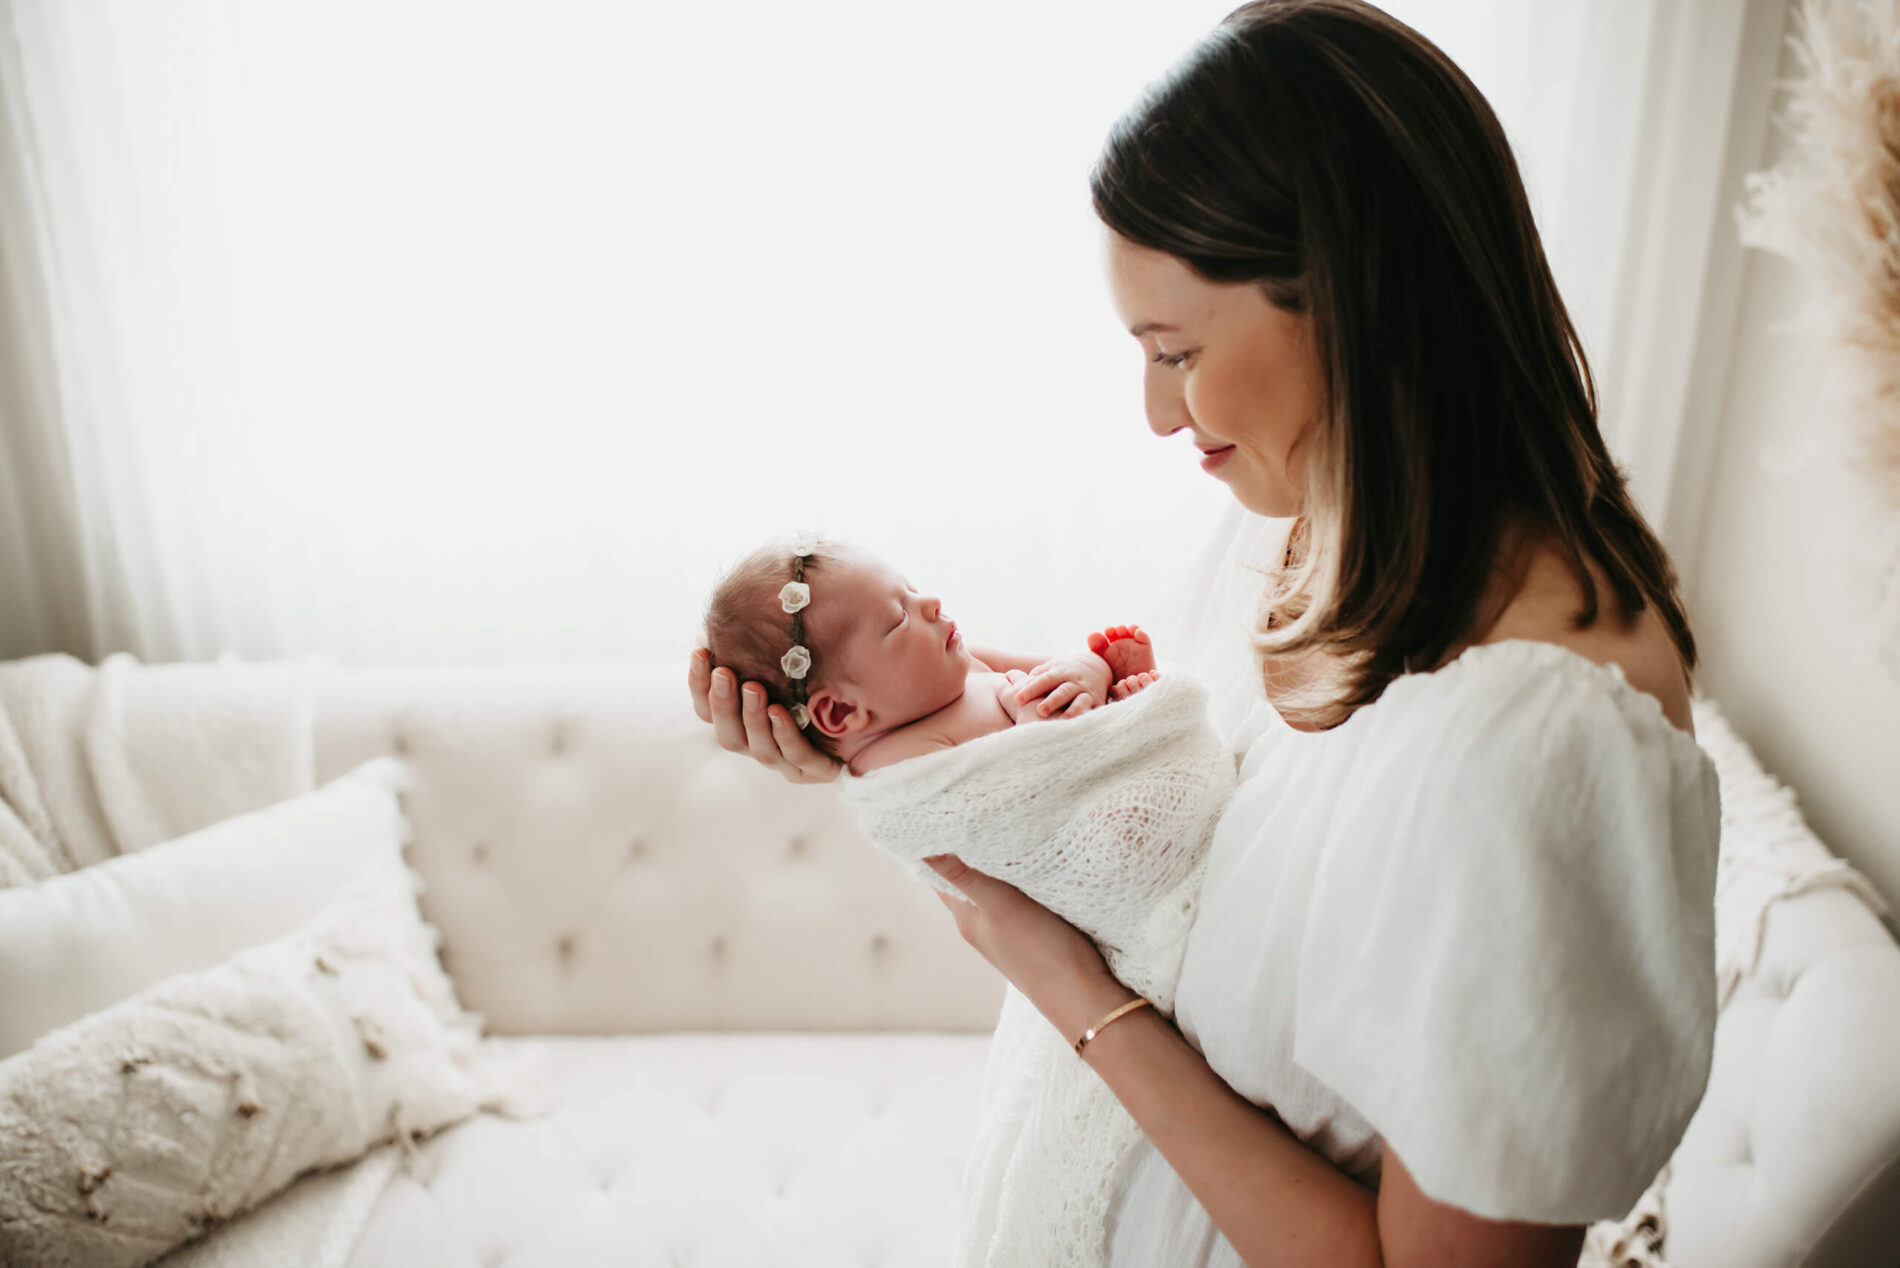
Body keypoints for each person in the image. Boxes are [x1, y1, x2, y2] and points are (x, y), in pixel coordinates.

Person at [686, 1, 1720, 1263]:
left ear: (1356, 306)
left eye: (1174, 351)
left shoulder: (1539, 746)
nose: (1156, 412)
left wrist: (1067, 983)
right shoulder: (1308, 519)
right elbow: (1100, 742)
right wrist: (875, 743)